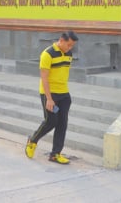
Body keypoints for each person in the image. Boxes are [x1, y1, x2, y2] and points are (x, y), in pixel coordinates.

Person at [25, 31, 79, 165]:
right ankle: (32, 141)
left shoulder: (68, 54)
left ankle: (55, 154)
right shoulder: (47, 54)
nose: (70, 48)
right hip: (49, 94)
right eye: (68, 44)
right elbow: (44, 78)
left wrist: (65, 95)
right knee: (51, 121)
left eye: (72, 46)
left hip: (64, 95)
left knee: (62, 124)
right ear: (61, 40)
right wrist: (49, 99)